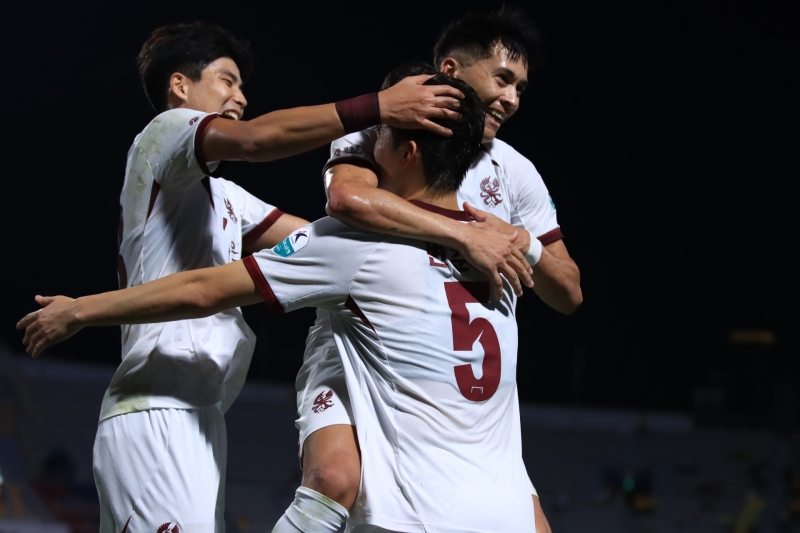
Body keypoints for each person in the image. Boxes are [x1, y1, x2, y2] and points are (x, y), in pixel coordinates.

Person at [19, 72, 538, 532]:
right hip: (507, 511)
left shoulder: (353, 248)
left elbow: (204, 288)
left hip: (419, 515)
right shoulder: (500, 252)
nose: (364, 147)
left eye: (378, 136)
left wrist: (80, 310)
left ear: (408, 153)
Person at [292, 8, 582, 533]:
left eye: (520, 88)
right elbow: (346, 198)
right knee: (334, 478)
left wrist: (524, 244)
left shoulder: (515, 171)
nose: (512, 98)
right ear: (451, 70)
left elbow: (569, 293)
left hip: (460, 381)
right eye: (503, 79)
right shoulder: (385, 130)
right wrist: (464, 233)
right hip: (361, 351)